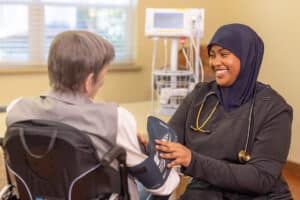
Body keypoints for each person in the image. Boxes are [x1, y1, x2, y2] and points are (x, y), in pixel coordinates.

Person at [6, 30, 179, 199]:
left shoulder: (16, 110)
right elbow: (159, 186)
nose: (102, 82)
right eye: (103, 75)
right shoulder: (116, 119)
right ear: (89, 82)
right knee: (168, 182)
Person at [155, 23, 293, 199]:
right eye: (212, 55)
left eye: (224, 54)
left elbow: (260, 179)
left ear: (247, 57)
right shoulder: (200, 95)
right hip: (207, 191)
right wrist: (149, 145)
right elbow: (170, 140)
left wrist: (192, 160)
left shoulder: (274, 109)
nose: (215, 62)